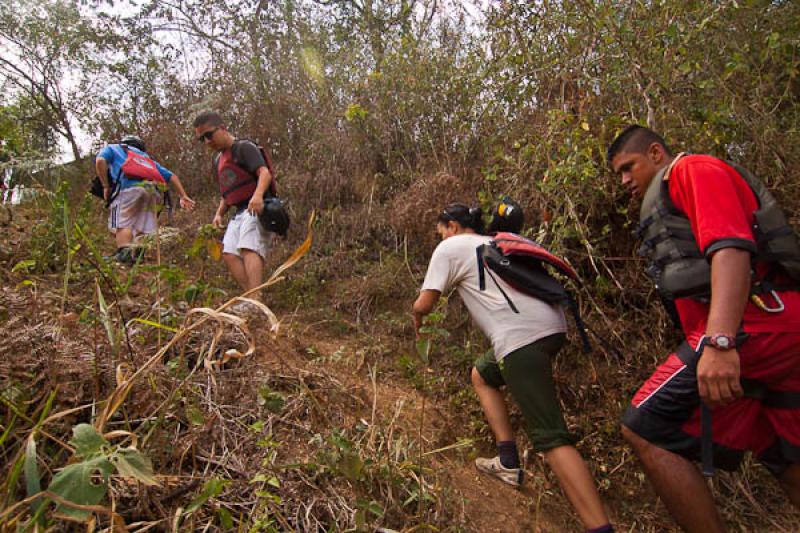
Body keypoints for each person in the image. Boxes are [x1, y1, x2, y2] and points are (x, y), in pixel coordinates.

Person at [608, 125, 800, 532]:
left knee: (645, 427)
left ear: (656, 153)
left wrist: (720, 341)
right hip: (779, 331)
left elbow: (730, 247)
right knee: (784, 454)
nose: (624, 181)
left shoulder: (691, 171)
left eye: (629, 167)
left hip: (758, 324)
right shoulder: (673, 189)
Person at [412, 204, 613, 533]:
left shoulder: (450, 247)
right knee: (483, 373)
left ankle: (599, 527)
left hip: (522, 339)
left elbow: (425, 302)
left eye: (441, 230)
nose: (441, 237)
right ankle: (507, 461)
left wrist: (416, 317)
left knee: (551, 438)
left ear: (450, 226)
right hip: (553, 329)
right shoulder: (491, 242)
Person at [192, 111, 274, 306]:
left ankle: (255, 300)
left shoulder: (244, 147)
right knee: (229, 253)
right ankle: (253, 298)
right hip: (238, 212)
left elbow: (264, 173)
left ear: (221, 128)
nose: (206, 141)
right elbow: (227, 193)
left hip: (256, 208)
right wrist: (219, 214)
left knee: (248, 248)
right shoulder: (218, 160)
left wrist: (258, 195)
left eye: (209, 135)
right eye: (201, 138)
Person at [95, 135, 195, 264]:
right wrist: (183, 195)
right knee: (143, 225)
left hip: (127, 190)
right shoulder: (147, 159)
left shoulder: (114, 148)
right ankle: (139, 256)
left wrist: (105, 186)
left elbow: (100, 161)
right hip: (152, 192)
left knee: (123, 223)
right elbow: (171, 176)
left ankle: (124, 254)